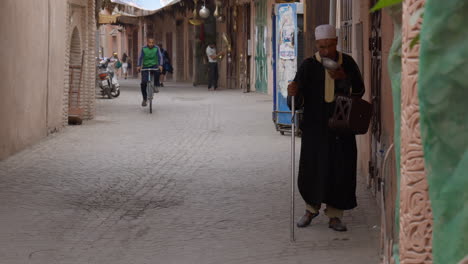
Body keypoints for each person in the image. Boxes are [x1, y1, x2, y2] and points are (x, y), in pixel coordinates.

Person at [287, 24, 365, 232]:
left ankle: (335, 216)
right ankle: (310, 210)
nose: (326, 51)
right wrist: (293, 93)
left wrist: (344, 79)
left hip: (341, 129)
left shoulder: (347, 63)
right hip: (315, 129)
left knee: (340, 169)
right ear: (317, 45)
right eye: (322, 47)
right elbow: (297, 101)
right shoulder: (308, 66)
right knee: (313, 168)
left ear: (337, 42)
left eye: (329, 46)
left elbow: (360, 90)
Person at [137, 38, 163, 107]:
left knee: (158, 72)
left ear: (154, 43)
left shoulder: (157, 48)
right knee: (143, 83)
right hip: (145, 67)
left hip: (154, 66)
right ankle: (144, 99)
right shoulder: (143, 49)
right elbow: (140, 58)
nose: (151, 44)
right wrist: (139, 65)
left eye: (152, 43)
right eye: (149, 43)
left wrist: (160, 65)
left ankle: (156, 85)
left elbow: (160, 57)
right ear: (147, 43)